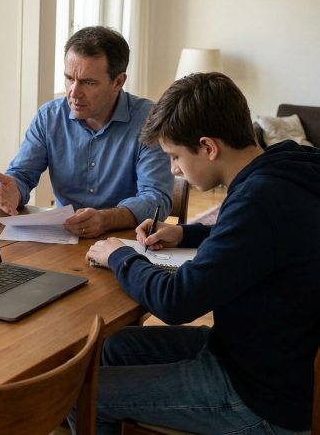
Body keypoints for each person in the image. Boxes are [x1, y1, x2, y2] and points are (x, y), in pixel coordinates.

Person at [79, 72, 320, 433]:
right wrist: (185, 232)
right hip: (261, 355)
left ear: (208, 147)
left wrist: (119, 256)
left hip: (259, 397)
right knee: (117, 346)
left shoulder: (257, 201)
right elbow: (255, 242)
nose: (174, 170)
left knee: (82, 393)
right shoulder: (287, 165)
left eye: (175, 156)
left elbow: (176, 302)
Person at [0, 26, 172, 238]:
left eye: (88, 82)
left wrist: (106, 219)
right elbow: (20, 175)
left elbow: (156, 198)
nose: (74, 92)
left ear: (118, 82)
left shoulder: (149, 120)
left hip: (127, 242)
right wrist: (8, 191)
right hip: (65, 239)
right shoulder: (49, 117)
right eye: (69, 78)